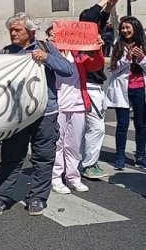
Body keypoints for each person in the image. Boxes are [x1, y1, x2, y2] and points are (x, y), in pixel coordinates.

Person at [0, 12, 73, 217]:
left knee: (43, 157)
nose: (13, 34)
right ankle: (1, 197)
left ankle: (37, 197)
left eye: (17, 30)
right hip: (17, 115)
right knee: (11, 157)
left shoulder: (45, 48)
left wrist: (47, 58)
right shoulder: (6, 52)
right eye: (11, 30)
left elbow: (67, 70)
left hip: (46, 113)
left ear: (31, 31)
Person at [49, 26, 104, 194]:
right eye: (51, 34)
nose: (54, 36)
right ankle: (56, 178)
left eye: (56, 33)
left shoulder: (77, 54)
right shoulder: (49, 55)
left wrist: (97, 48)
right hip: (58, 105)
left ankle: (73, 177)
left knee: (73, 144)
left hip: (78, 104)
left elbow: (96, 64)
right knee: (58, 143)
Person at [78, 0, 120, 180]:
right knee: (96, 127)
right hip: (87, 87)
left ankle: (84, 161)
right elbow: (89, 19)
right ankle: (88, 164)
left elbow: (99, 22)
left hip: (95, 86)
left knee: (90, 127)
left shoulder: (94, 37)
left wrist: (109, 7)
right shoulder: (80, 39)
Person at [106, 16, 146, 170]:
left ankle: (141, 157)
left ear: (135, 28)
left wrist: (141, 58)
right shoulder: (118, 43)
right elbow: (113, 68)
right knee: (122, 124)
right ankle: (120, 156)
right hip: (122, 88)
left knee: (140, 125)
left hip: (140, 87)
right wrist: (126, 59)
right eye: (123, 28)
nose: (125, 31)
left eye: (128, 28)